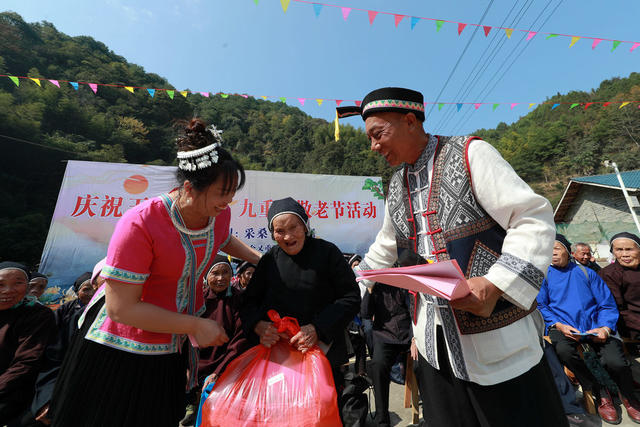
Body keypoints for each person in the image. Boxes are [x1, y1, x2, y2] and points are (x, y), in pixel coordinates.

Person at [337, 87, 566, 426]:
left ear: (411, 121)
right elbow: (383, 249)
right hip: (433, 346)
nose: (373, 146)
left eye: (378, 134)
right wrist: (343, 297)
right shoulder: (397, 183)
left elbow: (532, 218)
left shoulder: (471, 154)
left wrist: (495, 283)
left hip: (498, 341)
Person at [49, 119, 261, 427]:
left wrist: (260, 259)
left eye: (232, 192)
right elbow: (121, 309)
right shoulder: (140, 223)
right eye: (222, 193)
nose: (228, 201)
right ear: (189, 187)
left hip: (170, 342)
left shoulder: (218, 213)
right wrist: (195, 325)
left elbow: (223, 236)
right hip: (118, 347)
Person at [240, 197, 361, 394]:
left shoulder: (328, 253)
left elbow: (351, 297)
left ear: (305, 226)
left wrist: (318, 328)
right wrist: (258, 326)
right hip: (280, 359)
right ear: (273, 234)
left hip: (324, 351)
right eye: (280, 231)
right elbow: (248, 303)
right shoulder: (269, 260)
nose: (288, 237)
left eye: (293, 227)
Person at [537, 234, 640, 424]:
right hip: (564, 328)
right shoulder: (544, 277)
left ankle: (628, 397)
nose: (552, 253)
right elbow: (542, 306)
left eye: (556, 249)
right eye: (547, 250)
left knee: (615, 361)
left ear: (567, 251)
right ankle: (600, 391)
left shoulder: (586, 273)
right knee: (564, 351)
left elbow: (607, 305)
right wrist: (559, 325)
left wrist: (605, 328)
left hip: (595, 327)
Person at [181, 255, 249, 426]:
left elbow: (239, 340)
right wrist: (187, 367)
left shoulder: (239, 300)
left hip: (226, 362)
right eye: (215, 273)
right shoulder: (197, 299)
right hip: (196, 362)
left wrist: (219, 371)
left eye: (225, 272)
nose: (221, 278)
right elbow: (185, 336)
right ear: (206, 276)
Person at [31, 271, 97, 424]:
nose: (92, 293)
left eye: (96, 288)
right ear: (76, 291)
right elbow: (55, 355)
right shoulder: (67, 314)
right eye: (86, 289)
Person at [0, 262, 56, 426]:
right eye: (1, 284)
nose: (8, 290)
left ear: (26, 286)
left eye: (18, 283)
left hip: (12, 393)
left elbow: (27, 362)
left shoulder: (37, 315)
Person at [361, 281, 412, 426]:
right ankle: (382, 420)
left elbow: (413, 310)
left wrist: (415, 337)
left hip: (407, 333)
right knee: (377, 365)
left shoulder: (402, 280)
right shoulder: (374, 285)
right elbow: (365, 313)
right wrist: (369, 290)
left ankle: (430, 412)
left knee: (422, 364)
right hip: (384, 336)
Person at [599, 232, 640, 341]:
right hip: (632, 325)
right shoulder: (609, 274)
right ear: (613, 252)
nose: (624, 254)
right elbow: (617, 308)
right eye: (619, 250)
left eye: (629, 249)